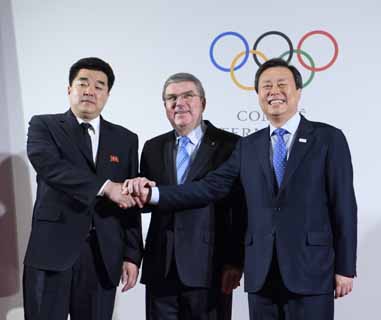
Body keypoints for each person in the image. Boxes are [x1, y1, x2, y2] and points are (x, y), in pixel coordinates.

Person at [125, 58, 357, 320]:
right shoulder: (248, 146)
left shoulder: (328, 138)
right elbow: (209, 187)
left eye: (282, 84)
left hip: (311, 270)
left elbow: (344, 206)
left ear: (298, 92)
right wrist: (154, 194)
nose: (274, 91)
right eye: (266, 86)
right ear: (258, 95)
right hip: (261, 275)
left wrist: (345, 267)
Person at [23, 57, 143, 320]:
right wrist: (105, 187)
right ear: (69, 89)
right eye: (83, 83)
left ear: (108, 94)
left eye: (100, 86)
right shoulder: (44, 126)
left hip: (103, 256)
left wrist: (133, 254)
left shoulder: (126, 139)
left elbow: (130, 196)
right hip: (51, 252)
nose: (90, 90)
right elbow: (50, 167)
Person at [138, 73, 246, 320]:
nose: (179, 103)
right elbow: (143, 204)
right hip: (160, 268)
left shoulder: (231, 145)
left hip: (210, 267)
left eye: (188, 96)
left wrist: (235, 261)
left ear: (203, 103)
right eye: (171, 98)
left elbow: (239, 209)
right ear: (165, 106)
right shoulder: (152, 147)